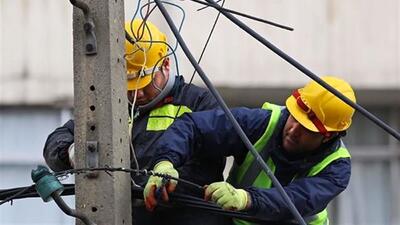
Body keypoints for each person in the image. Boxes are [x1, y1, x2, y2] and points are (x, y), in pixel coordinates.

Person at [43, 19, 227, 225]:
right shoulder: (110, 108)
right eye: (129, 84)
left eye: (144, 81)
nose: (137, 92)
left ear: (165, 64)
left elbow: (208, 164)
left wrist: (158, 182)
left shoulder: (199, 103)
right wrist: (72, 153)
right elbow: (56, 141)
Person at [144, 76, 356, 225]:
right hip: (239, 222)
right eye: (294, 117)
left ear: (328, 135)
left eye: (306, 129)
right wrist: (164, 163)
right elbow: (194, 127)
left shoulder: (337, 168)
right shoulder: (263, 123)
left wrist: (246, 199)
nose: (293, 129)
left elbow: (294, 201)